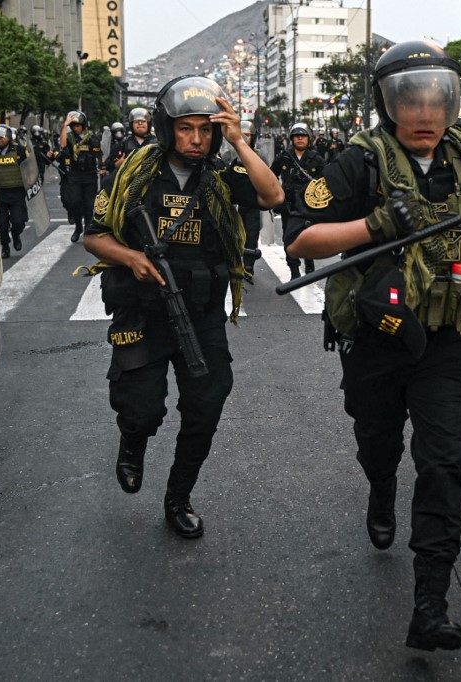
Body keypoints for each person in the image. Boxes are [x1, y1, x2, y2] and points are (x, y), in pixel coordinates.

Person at [286, 40, 461, 652]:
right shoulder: (357, 162)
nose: (424, 113)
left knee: (445, 461)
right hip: (380, 336)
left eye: (435, 98)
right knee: (378, 439)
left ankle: (430, 604)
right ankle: (380, 486)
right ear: (388, 103)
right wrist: (375, 226)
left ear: (451, 100)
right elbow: (301, 241)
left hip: (450, 340)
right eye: (409, 100)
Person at [82, 75, 283, 539]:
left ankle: (179, 496)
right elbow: (95, 235)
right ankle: (132, 443)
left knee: (207, 406)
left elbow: (273, 196)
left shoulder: (223, 174)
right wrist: (130, 257)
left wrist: (238, 139)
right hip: (145, 313)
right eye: (186, 128)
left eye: (206, 129)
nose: (197, 139)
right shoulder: (133, 172)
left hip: (202, 314)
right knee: (141, 408)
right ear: (165, 127)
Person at [270, 122, 324, 279]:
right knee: (289, 238)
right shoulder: (284, 158)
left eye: (303, 136)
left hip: (309, 206)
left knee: (309, 236)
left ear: (309, 138)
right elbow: (270, 176)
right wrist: (276, 196)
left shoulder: (317, 159)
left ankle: (309, 265)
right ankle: (294, 270)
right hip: (289, 206)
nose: (300, 139)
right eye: (296, 136)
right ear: (291, 138)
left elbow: (326, 181)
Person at [55, 111, 103, 243]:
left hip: (90, 175)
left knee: (89, 204)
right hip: (75, 175)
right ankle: (78, 227)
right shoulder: (70, 137)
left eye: (78, 125)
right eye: (73, 125)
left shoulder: (92, 138)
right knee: (74, 202)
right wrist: (65, 125)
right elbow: (63, 144)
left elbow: (99, 155)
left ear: (83, 125)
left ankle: (87, 227)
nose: (76, 128)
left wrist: (102, 167)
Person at [0, 124, 30, 259]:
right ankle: (5, 246)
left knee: (19, 221)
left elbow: (29, 168)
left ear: (9, 137)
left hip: (17, 192)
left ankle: (16, 234)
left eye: (1, 137)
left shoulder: (20, 150)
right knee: (2, 224)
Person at [231, 120, 265, 284]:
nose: (245, 138)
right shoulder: (229, 155)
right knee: (234, 235)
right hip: (234, 204)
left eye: (248, 135)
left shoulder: (259, 156)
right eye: (242, 135)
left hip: (252, 204)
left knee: (251, 235)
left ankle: (249, 267)